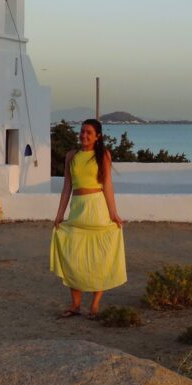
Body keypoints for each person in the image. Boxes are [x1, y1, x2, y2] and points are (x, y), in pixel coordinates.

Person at [50, 118, 127, 317]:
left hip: (97, 208)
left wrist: (113, 213)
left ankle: (94, 306)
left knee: (99, 258)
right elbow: (67, 187)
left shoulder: (103, 155)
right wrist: (60, 213)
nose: (84, 135)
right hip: (77, 209)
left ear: (97, 136)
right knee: (73, 257)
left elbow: (107, 186)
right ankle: (75, 305)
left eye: (89, 133)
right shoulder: (71, 156)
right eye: (82, 131)